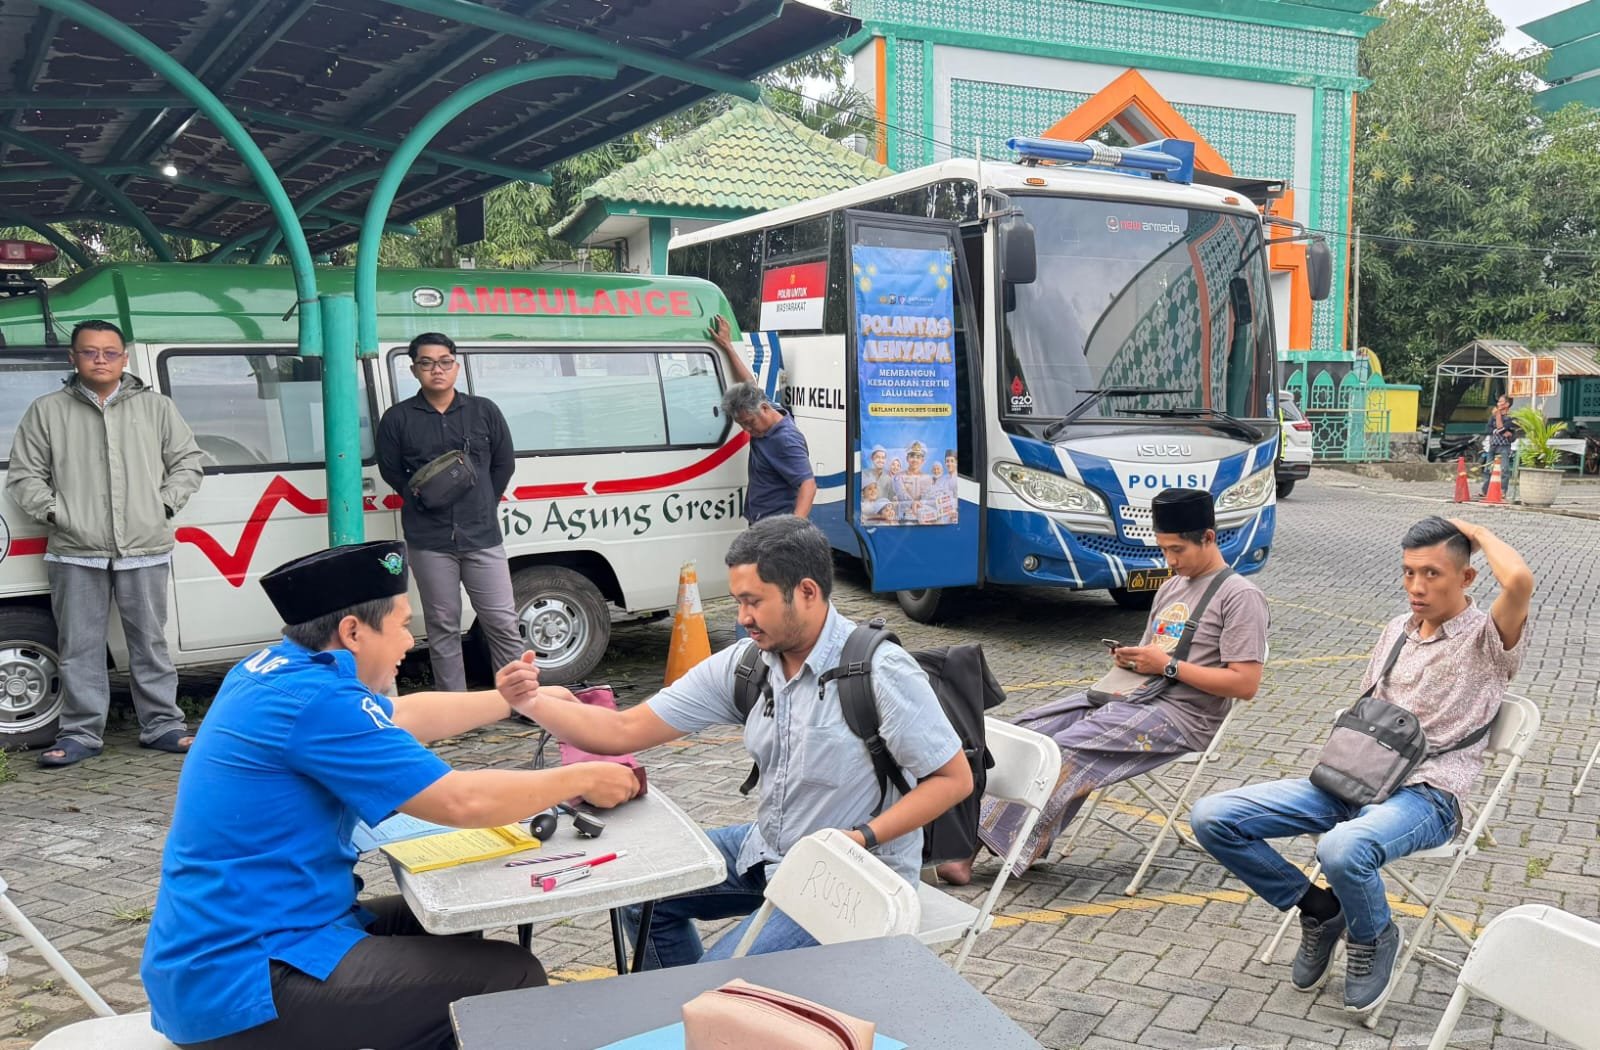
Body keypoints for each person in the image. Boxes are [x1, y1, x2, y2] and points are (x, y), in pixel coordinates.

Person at [140, 540, 639, 1050]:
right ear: (352, 632)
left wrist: (511, 701)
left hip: (244, 943)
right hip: (244, 980)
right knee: (508, 978)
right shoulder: (317, 699)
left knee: (454, 920)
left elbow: (401, 716)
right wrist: (579, 779)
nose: (408, 640)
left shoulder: (277, 669)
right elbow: (459, 801)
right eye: (401, 625)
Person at [515, 514, 971, 967]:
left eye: (753, 602)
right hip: (771, 849)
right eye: (738, 602)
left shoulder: (882, 672)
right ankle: (683, 1004)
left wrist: (861, 837)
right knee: (641, 896)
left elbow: (953, 779)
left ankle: (702, 1002)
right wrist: (527, 700)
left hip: (854, 877)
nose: (742, 618)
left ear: (807, 592)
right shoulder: (751, 664)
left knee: (714, 983)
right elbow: (623, 731)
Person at [1190, 516, 1532, 1014]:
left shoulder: (1486, 637)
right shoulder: (1396, 630)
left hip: (1428, 795)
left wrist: (1475, 532)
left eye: (1432, 573)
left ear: (1466, 577)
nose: (1416, 586)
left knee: (1342, 847)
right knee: (1212, 817)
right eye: (1409, 572)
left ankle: (1373, 935)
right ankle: (1320, 910)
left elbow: (1519, 580)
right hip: (1354, 781)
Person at [936, 488, 1267, 885]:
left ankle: (970, 849)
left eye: (1177, 550)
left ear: (1209, 538)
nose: (1170, 560)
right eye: (1163, 549)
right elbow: (1155, 654)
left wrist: (1167, 666)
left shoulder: (1240, 596)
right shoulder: (1172, 587)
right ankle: (1001, 836)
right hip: (1136, 696)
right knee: (1026, 732)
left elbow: (1245, 684)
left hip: (1184, 717)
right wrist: (1135, 659)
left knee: (1058, 753)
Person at [5, 319, 204, 769]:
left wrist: (162, 506)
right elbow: (24, 475)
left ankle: (162, 725)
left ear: (124, 358)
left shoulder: (156, 407)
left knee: (150, 643)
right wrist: (57, 514)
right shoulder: (47, 410)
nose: (100, 359)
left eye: (110, 352)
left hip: (145, 546)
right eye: (90, 352)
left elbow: (188, 462)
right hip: (75, 549)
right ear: (73, 358)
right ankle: (80, 733)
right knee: (79, 647)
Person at [376, 333, 522, 692]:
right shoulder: (398, 419)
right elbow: (391, 470)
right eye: (426, 363)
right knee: (443, 626)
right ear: (414, 369)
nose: (436, 370)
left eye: (444, 362)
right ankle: (454, 706)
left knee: (502, 621)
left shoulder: (483, 411)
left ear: (455, 366)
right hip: (429, 540)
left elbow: (503, 464)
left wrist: (484, 502)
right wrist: (422, 499)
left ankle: (520, 699)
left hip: (482, 536)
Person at [710, 317, 816, 522]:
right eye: (742, 425)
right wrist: (727, 345)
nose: (748, 429)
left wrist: (793, 526)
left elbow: (808, 485)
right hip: (760, 520)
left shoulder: (785, 439)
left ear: (764, 409)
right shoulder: (767, 408)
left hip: (776, 524)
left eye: (749, 422)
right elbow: (748, 382)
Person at [1481, 394, 1516, 498]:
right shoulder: (1492, 417)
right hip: (1493, 444)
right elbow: (1488, 429)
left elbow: (1503, 428)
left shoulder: (1511, 417)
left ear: (1507, 404)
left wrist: (1498, 419)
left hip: (1504, 446)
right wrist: (1499, 431)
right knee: (1488, 468)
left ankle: (1502, 490)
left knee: (1504, 469)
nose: (1498, 404)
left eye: (1501, 402)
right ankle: (1485, 490)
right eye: (1498, 401)